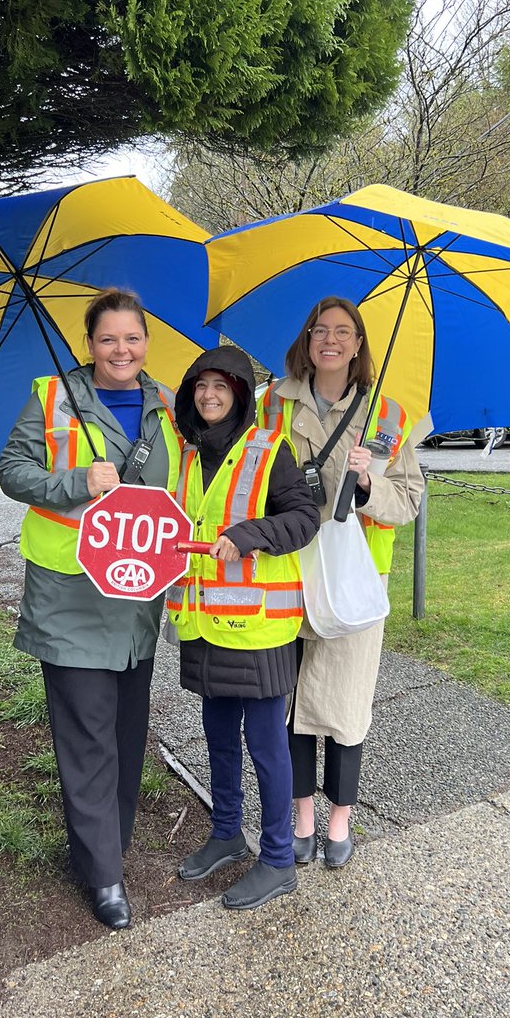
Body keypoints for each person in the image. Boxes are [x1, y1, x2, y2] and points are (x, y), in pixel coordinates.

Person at [0, 288, 183, 930]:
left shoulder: (167, 406)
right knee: (86, 733)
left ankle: (110, 843)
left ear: (145, 343)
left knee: (128, 733)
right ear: (89, 345)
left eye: (132, 338)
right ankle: (102, 874)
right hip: (71, 594)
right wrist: (78, 481)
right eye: (108, 339)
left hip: (137, 597)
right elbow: (12, 472)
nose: (121, 350)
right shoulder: (53, 397)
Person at [257, 297, 424, 868]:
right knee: (295, 700)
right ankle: (301, 815)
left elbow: (409, 500)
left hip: (356, 584)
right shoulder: (271, 408)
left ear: (358, 346)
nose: (330, 339)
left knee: (347, 704)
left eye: (343, 332)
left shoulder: (387, 418)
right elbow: (247, 477)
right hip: (290, 574)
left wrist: (368, 483)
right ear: (306, 341)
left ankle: (339, 821)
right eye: (319, 330)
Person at [166, 346, 320, 910]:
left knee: (265, 745)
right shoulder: (185, 456)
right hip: (203, 622)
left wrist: (251, 535)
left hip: (256, 629)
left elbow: (304, 518)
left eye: (221, 388)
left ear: (239, 394)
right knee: (217, 738)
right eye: (200, 387)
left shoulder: (268, 449)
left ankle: (278, 858)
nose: (210, 396)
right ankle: (227, 832)